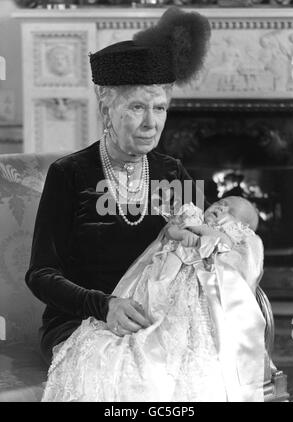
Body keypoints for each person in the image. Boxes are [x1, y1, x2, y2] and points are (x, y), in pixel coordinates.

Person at [25, 7, 211, 367]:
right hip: (82, 323)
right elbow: (41, 275)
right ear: (106, 108)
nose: (151, 123)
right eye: (137, 107)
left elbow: (205, 245)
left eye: (160, 108)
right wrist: (104, 305)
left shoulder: (172, 172)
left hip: (156, 323)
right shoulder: (70, 174)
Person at [41, 196, 266, 402]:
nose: (220, 207)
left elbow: (226, 253)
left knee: (188, 331)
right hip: (159, 281)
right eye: (221, 202)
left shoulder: (232, 237)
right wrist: (182, 232)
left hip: (192, 291)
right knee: (145, 315)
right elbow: (170, 231)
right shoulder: (191, 214)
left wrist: (201, 234)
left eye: (230, 210)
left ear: (240, 226)